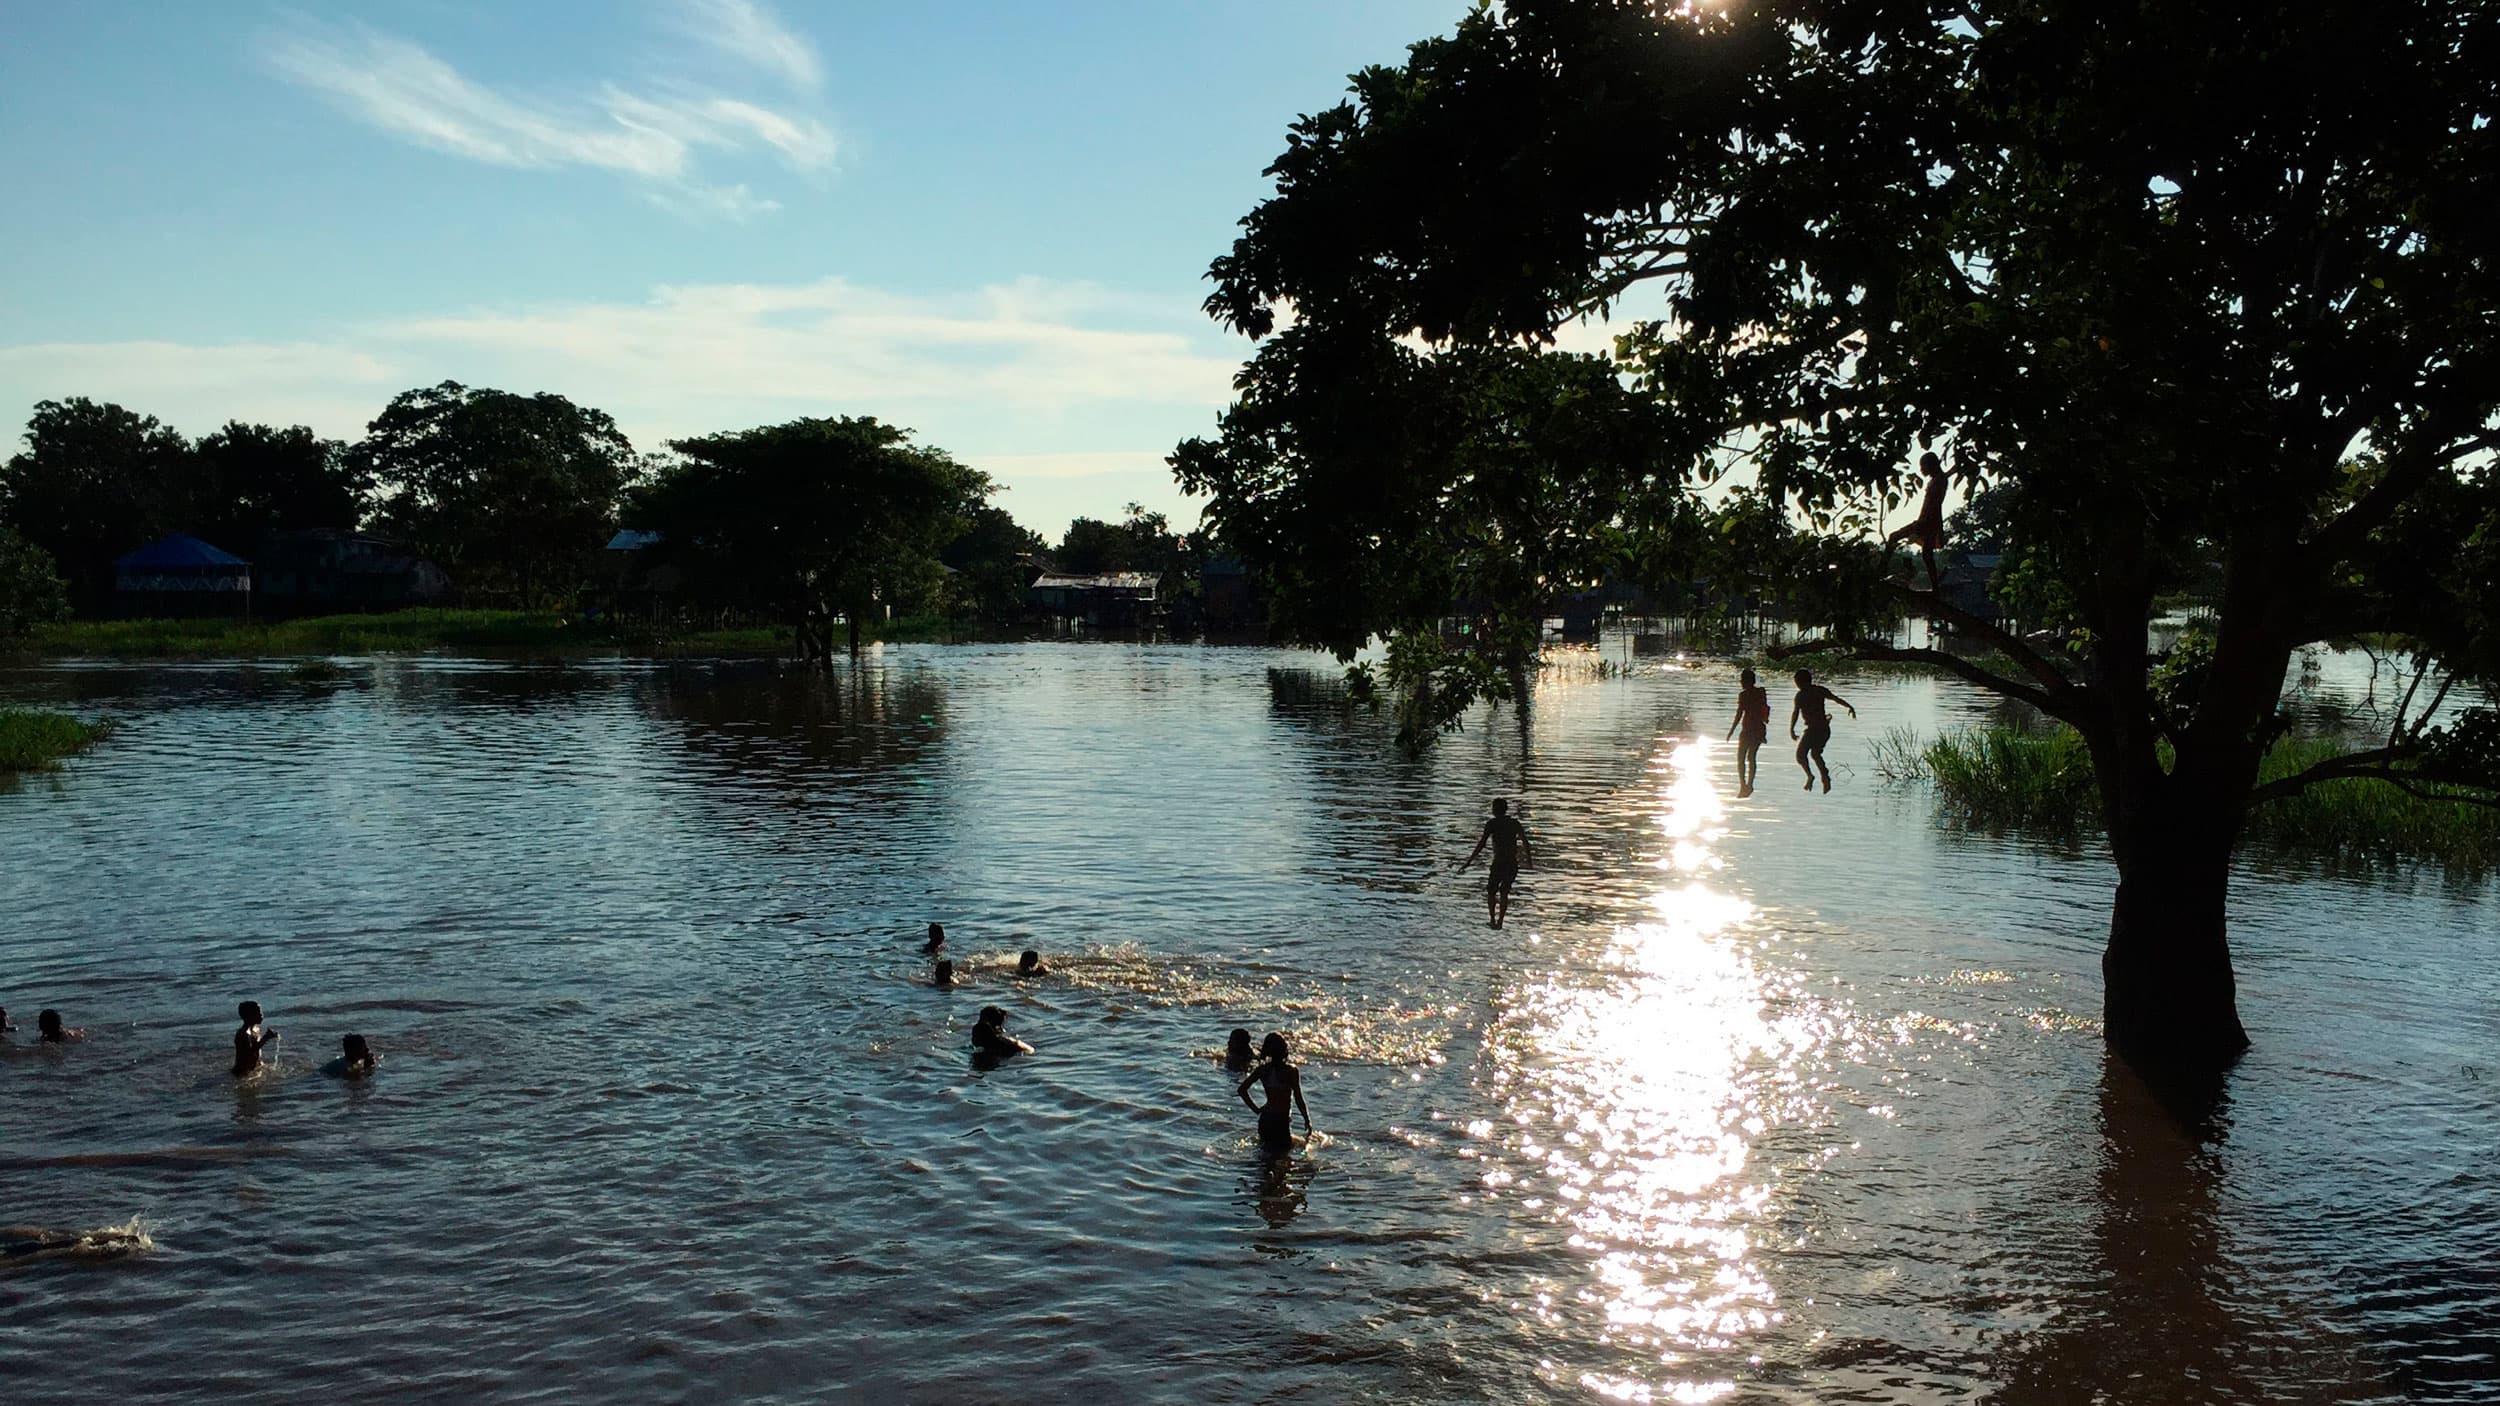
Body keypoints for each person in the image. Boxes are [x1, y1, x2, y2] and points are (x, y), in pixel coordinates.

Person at [1458, 798, 1533, 928]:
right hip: (1511, 862)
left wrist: (1468, 862)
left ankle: (1492, 919)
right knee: (1504, 892)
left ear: (1494, 810)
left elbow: (1481, 844)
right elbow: (1525, 842)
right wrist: (1529, 861)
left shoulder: (1492, 824)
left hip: (1499, 862)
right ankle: (1501, 921)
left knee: (1492, 891)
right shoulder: (1514, 823)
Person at [1237, 1032, 1312, 1158]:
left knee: (1265, 1156)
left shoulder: (1262, 1070)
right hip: (1281, 1121)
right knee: (1283, 1159)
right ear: (1284, 1049)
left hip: (1265, 1119)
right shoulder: (1291, 1071)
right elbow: (1298, 1098)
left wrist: (1256, 1110)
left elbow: (1242, 1090)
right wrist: (1306, 1119)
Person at [1885, 451, 1950, 590]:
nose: (1921, 470)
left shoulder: (1939, 480)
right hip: (1931, 522)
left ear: (1930, 465)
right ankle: (1935, 588)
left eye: (1923, 466)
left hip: (1926, 522)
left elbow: (1933, 504)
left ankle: (1880, 571)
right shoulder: (1938, 479)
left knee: (1893, 537)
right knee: (1927, 555)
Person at [1790, 668, 1858, 793]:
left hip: (1816, 729)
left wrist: (1792, 730)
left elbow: (1795, 713)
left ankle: (1815, 776)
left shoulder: (1805, 694)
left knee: (1803, 755)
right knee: (1814, 754)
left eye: (1797, 682)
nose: (1797, 685)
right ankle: (1822, 776)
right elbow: (1835, 699)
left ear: (1802, 682)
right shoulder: (1816, 691)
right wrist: (1849, 706)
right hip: (1822, 729)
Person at [1724, 667, 1772, 797]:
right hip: (1758, 729)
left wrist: (1731, 731)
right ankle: (1749, 784)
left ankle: (1743, 784)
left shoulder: (1744, 695)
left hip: (1749, 729)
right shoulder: (1761, 692)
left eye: (1742, 680)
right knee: (1751, 757)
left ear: (1747, 681)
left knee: (1741, 758)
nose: (1740, 682)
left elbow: (1739, 714)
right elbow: (1765, 708)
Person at [233, 1000, 278, 1075]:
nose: (261, 1015)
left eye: (261, 1012)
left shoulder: (256, 1029)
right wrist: (266, 1038)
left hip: (254, 1068)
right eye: (258, 1013)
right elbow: (250, 1052)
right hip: (242, 1071)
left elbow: (256, 1048)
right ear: (248, 1016)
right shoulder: (242, 1034)